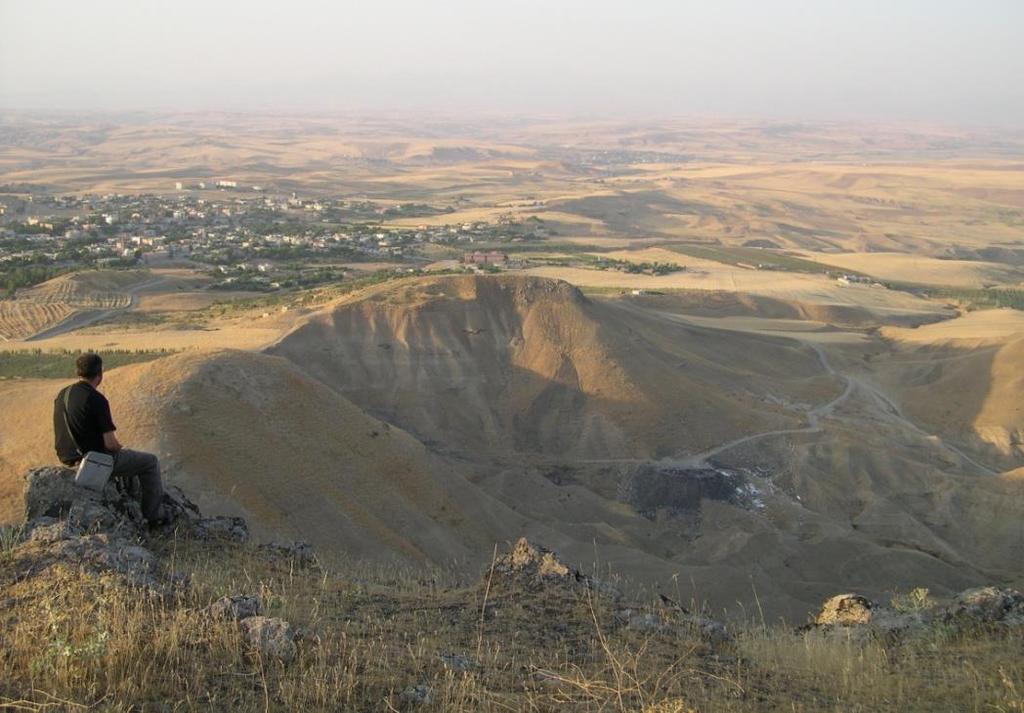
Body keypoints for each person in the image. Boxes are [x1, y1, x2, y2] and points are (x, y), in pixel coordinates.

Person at [54, 352, 166, 527]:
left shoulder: (63, 394)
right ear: (100, 375)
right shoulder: (96, 399)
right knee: (150, 462)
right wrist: (120, 448)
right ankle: (154, 518)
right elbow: (110, 444)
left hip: (67, 457)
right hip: (92, 461)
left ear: (78, 372)